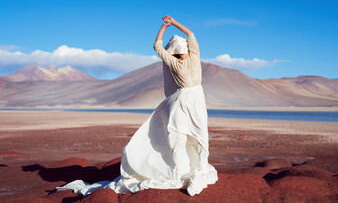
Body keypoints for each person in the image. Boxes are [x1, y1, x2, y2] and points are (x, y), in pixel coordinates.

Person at [56, 16, 218, 196]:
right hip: (187, 100)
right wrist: (173, 22)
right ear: (184, 48)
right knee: (190, 136)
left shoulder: (176, 60)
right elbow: (189, 34)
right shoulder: (191, 57)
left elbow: (158, 45)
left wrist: (165, 25)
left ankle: (188, 169)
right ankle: (186, 170)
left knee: (188, 136)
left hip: (187, 100)